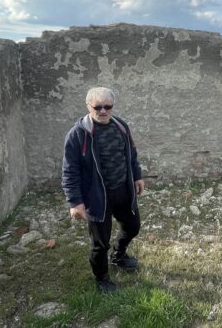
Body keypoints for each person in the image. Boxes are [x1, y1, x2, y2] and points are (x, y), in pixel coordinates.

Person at [62, 86, 145, 293]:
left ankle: (118, 256)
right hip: (96, 196)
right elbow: (69, 171)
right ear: (88, 106)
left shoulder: (121, 127)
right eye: (97, 107)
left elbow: (131, 154)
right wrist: (75, 202)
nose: (103, 111)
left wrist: (137, 176)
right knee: (100, 243)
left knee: (133, 226)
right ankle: (102, 278)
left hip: (123, 190)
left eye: (107, 106)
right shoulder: (77, 135)